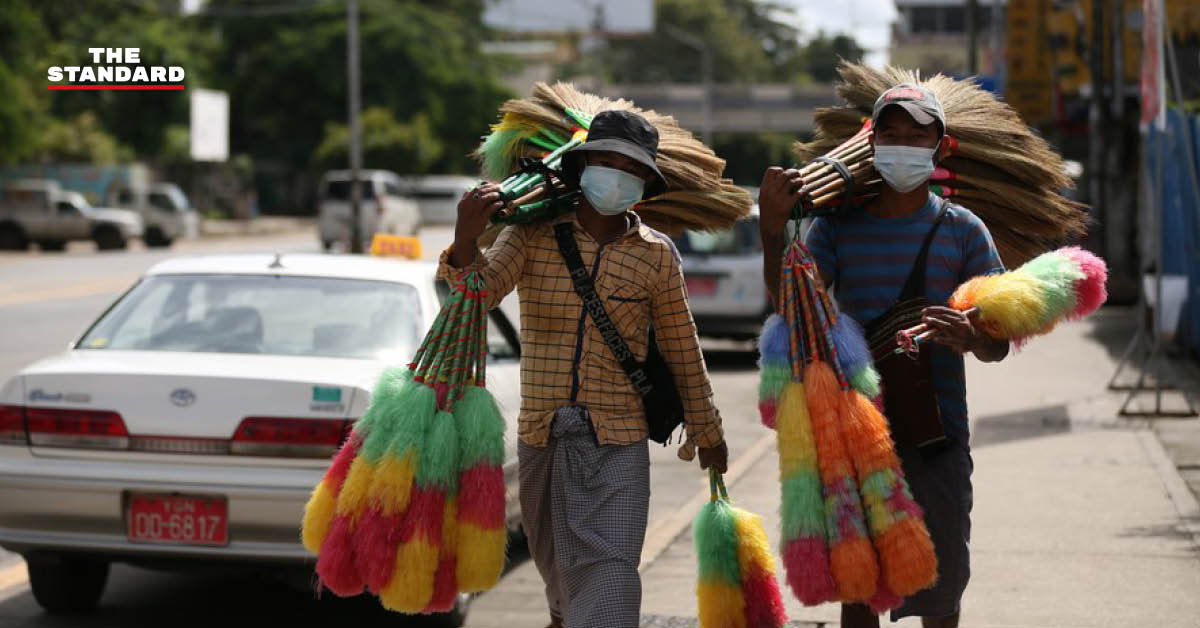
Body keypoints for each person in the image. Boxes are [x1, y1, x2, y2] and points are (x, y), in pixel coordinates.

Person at [441, 109, 729, 628]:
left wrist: (708, 430)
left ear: (644, 182)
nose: (615, 173)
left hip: (618, 443)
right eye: (605, 160)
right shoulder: (530, 236)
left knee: (611, 581)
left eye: (629, 166)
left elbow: (683, 347)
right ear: (582, 165)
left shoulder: (656, 256)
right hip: (542, 437)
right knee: (562, 586)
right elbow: (472, 298)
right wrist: (466, 241)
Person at [758, 84, 1010, 628]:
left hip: (937, 435)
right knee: (861, 584)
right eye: (889, 135)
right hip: (857, 433)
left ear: (940, 149)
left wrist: (971, 335)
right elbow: (790, 308)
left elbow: (1000, 342)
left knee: (942, 589)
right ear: (870, 145)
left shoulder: (964, 232)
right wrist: (770, 229)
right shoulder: (836, 228)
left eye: (915, 137)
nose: (901, 146)